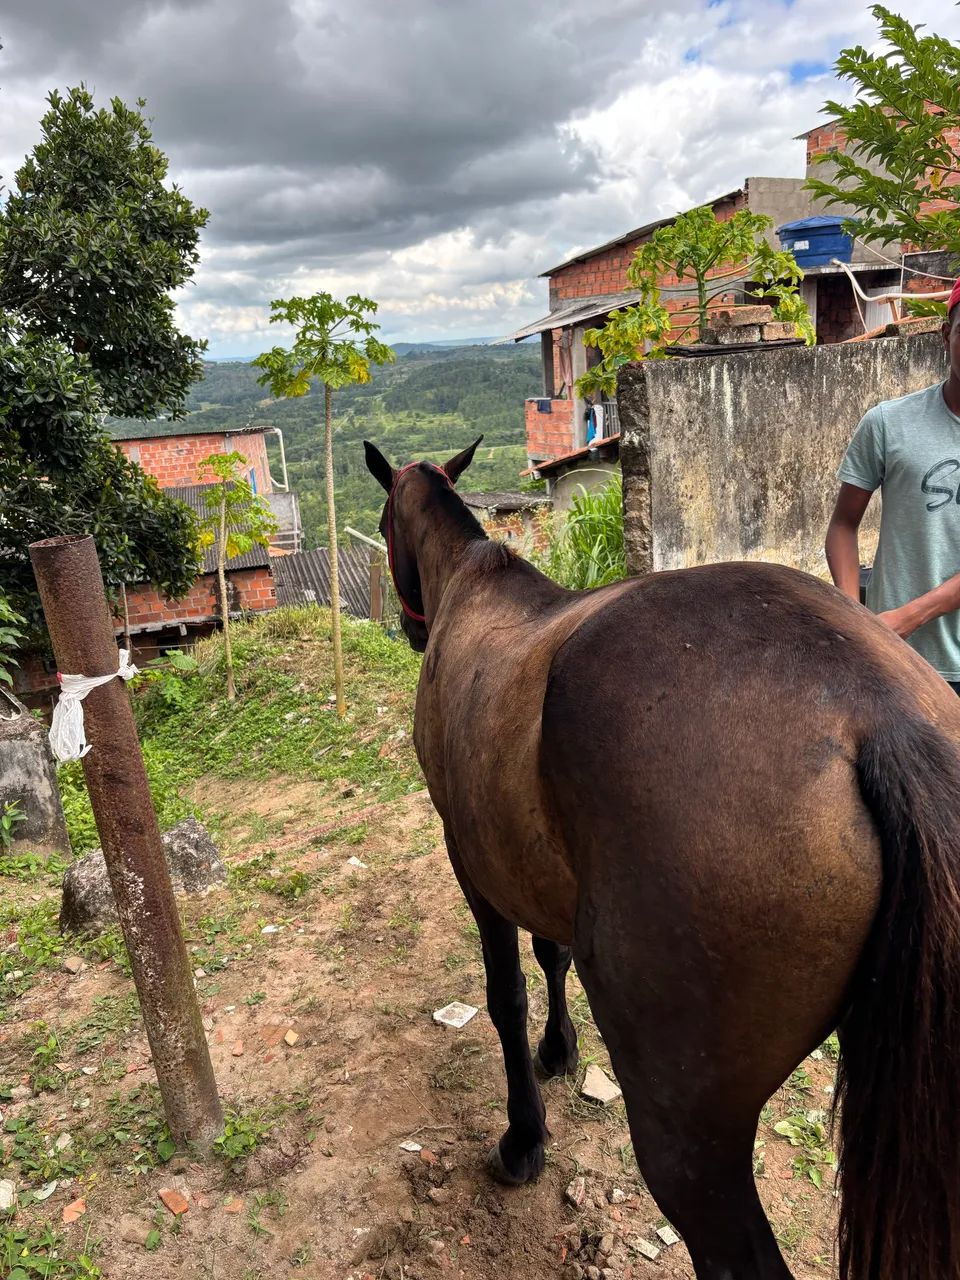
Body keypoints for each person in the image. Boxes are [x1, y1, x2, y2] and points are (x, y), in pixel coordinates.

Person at [825, 277, 960, 693]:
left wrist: (907, 617)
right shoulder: (889, 423)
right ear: (945, 336)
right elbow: (843, 525)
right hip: (897, 662)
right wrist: (854, 617)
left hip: (899, 633)